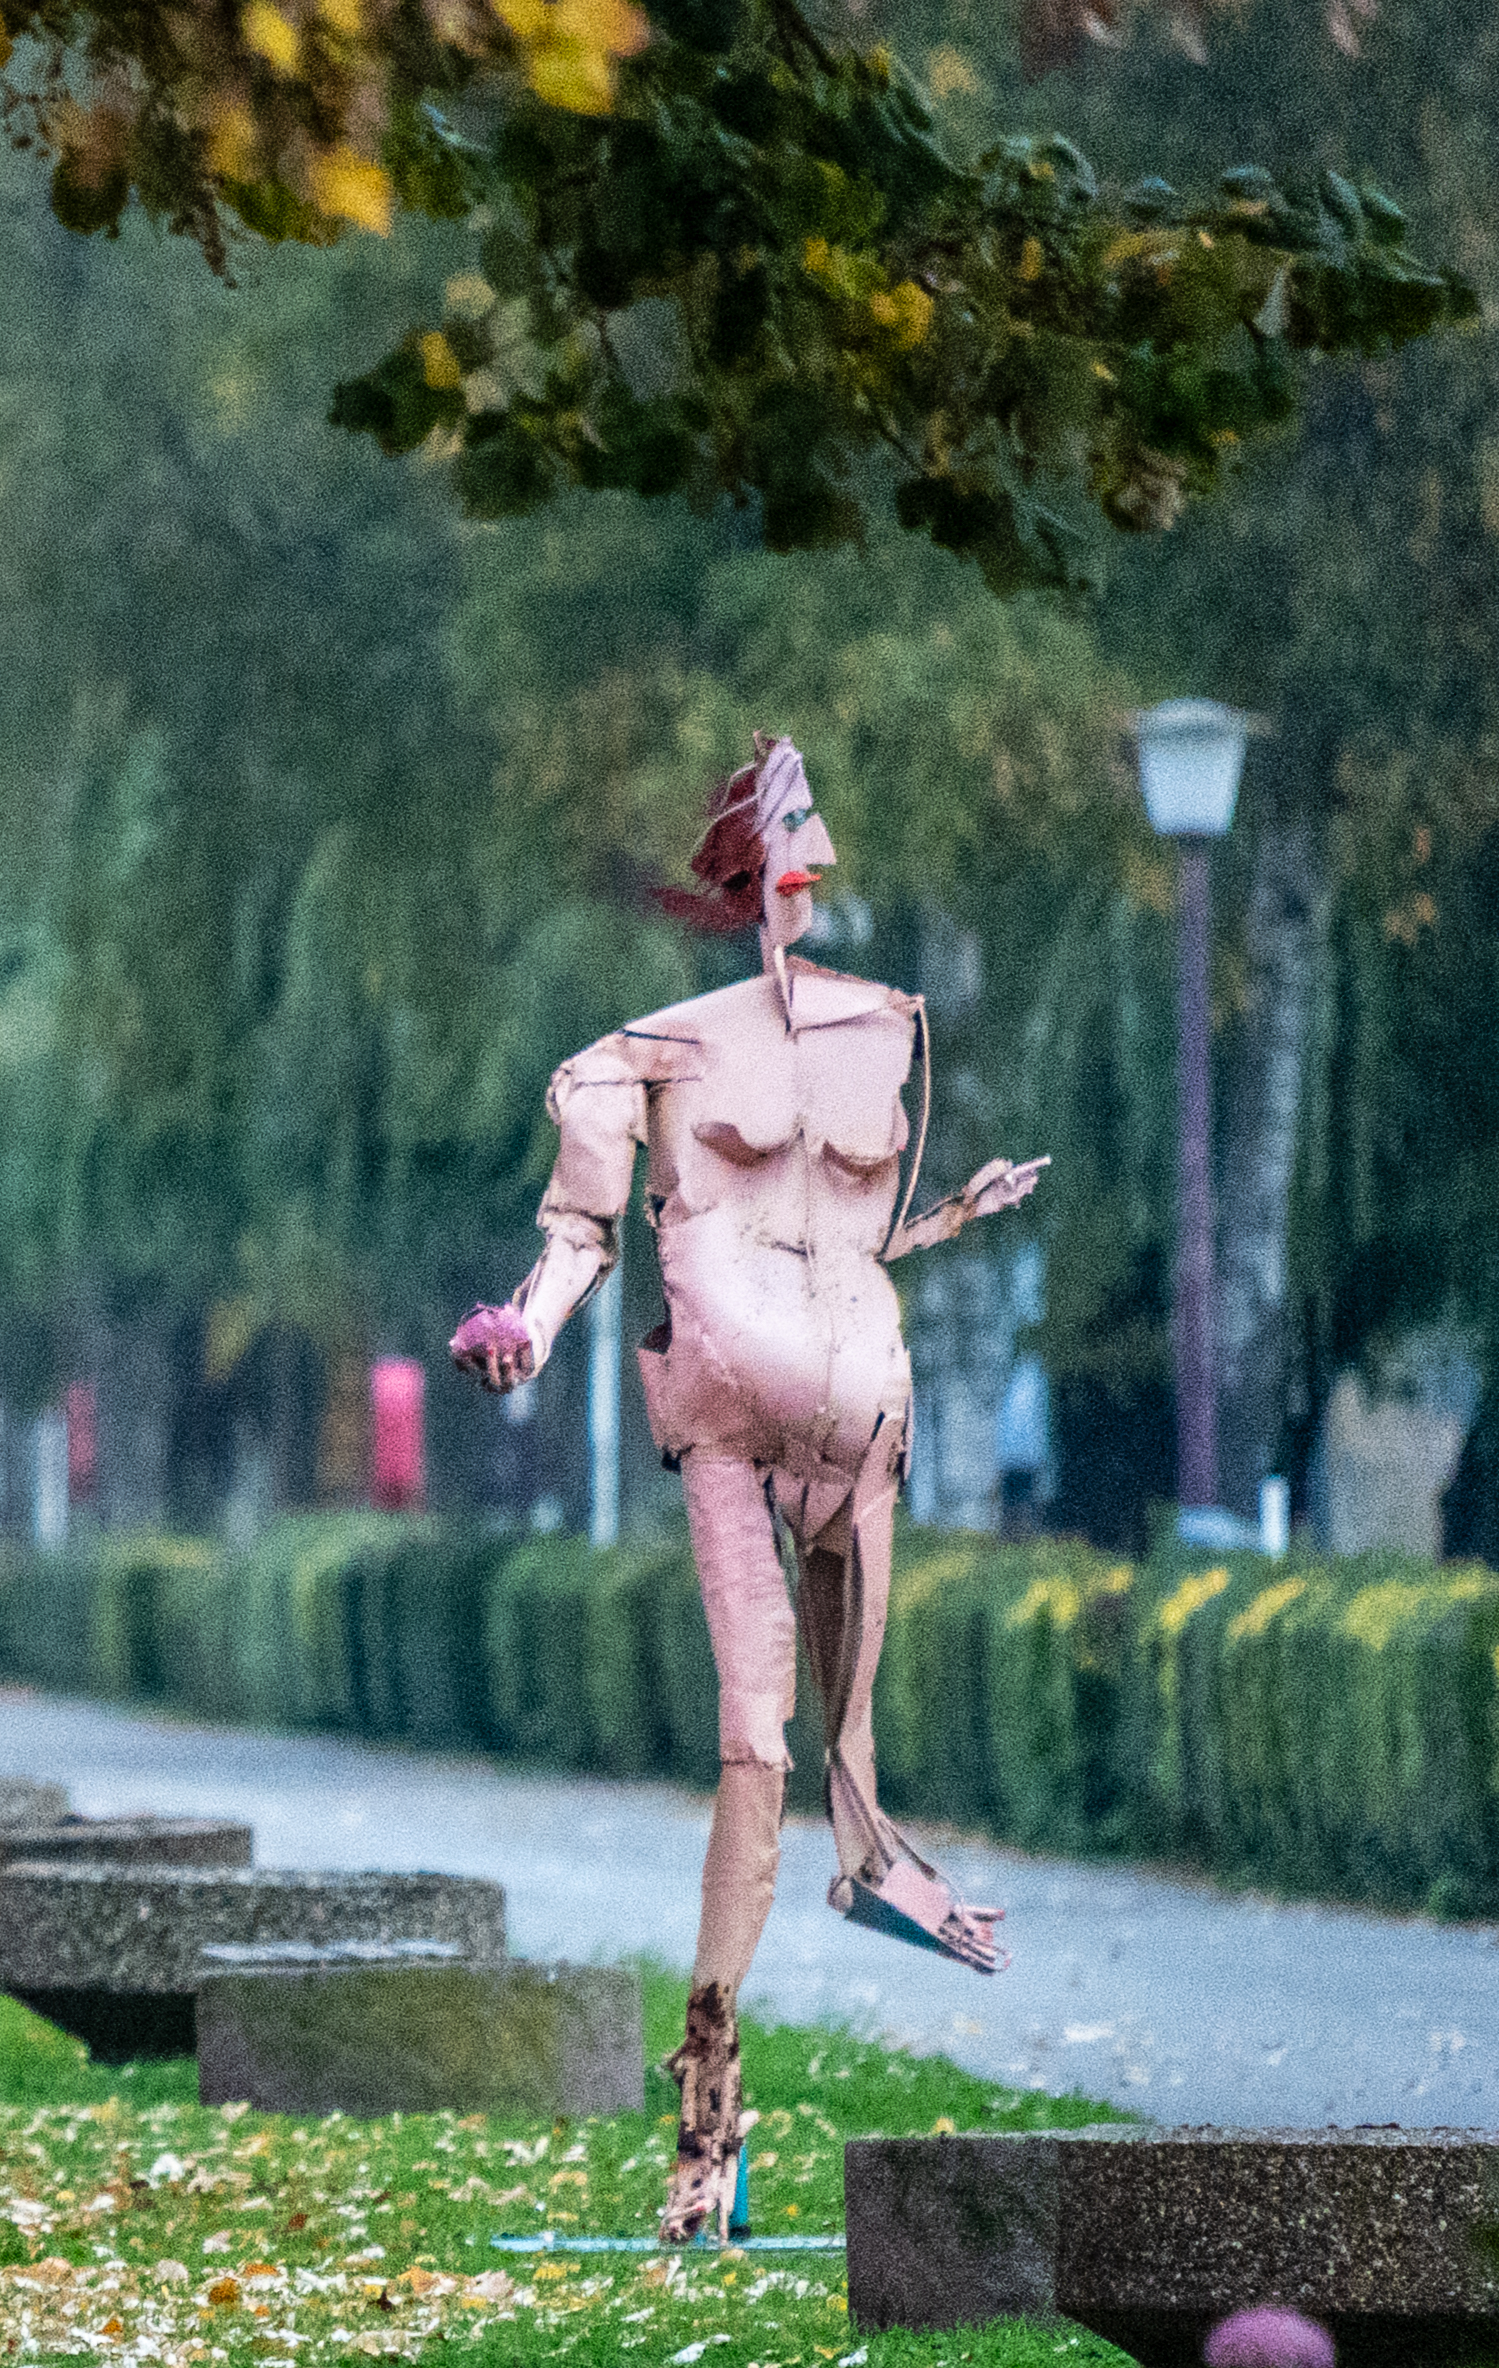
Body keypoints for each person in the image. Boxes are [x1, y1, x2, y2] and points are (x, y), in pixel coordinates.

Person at [448, 739, 1051, 2239]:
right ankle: (705, 2101)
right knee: (750, 1741)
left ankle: (868, 1866)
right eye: (793, 827)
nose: (819, 854)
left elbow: (855, 1232)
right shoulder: (643, 1055)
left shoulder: (881, 1031)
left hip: (864, 1417)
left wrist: (955, 1214)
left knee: (843, 1735)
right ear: (745, 862)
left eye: (816, 824)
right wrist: (528, 1324)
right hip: (724, 1416)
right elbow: (581, 1234)